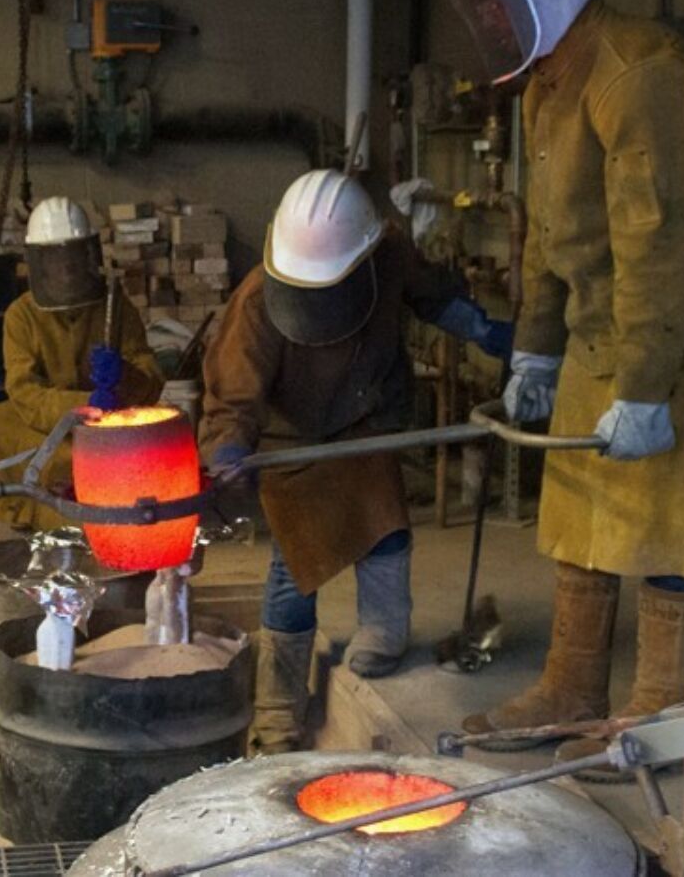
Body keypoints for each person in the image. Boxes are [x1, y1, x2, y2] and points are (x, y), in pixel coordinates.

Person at [450, 0, 684, 777]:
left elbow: (660, 243)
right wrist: (535, 349)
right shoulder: (550, 84)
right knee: (581, 519)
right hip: (596, 339)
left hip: (674, 349)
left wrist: (644, 388)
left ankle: (658, 710)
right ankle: (572, 687)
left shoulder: (637, 74)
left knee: (668, 531)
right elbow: (551, 235)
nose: (492, 19)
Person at [199, 168, 511, 753]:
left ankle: (383, 634)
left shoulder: (387, 253)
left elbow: (432, 295)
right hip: (296, 441)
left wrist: (484, 330)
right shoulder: (255, 306)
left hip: (367, 421)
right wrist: (229, 449)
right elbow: (230, 401)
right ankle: (276, 712)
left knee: (385, 533)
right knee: (297, 568)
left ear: (362, 259)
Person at [0, 197, 164, 531]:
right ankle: (24, 514)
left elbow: (151, 377)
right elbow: (24, 392)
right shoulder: (21, 315)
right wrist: (82, 404)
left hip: (109, 422)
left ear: (90, 257)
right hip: (49, 423)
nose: (66, 268)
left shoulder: (114, 306)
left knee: (158, 435)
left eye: (73, 258)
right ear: (40, 265)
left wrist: (126, 377)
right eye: (56, 260)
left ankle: (105, 507)